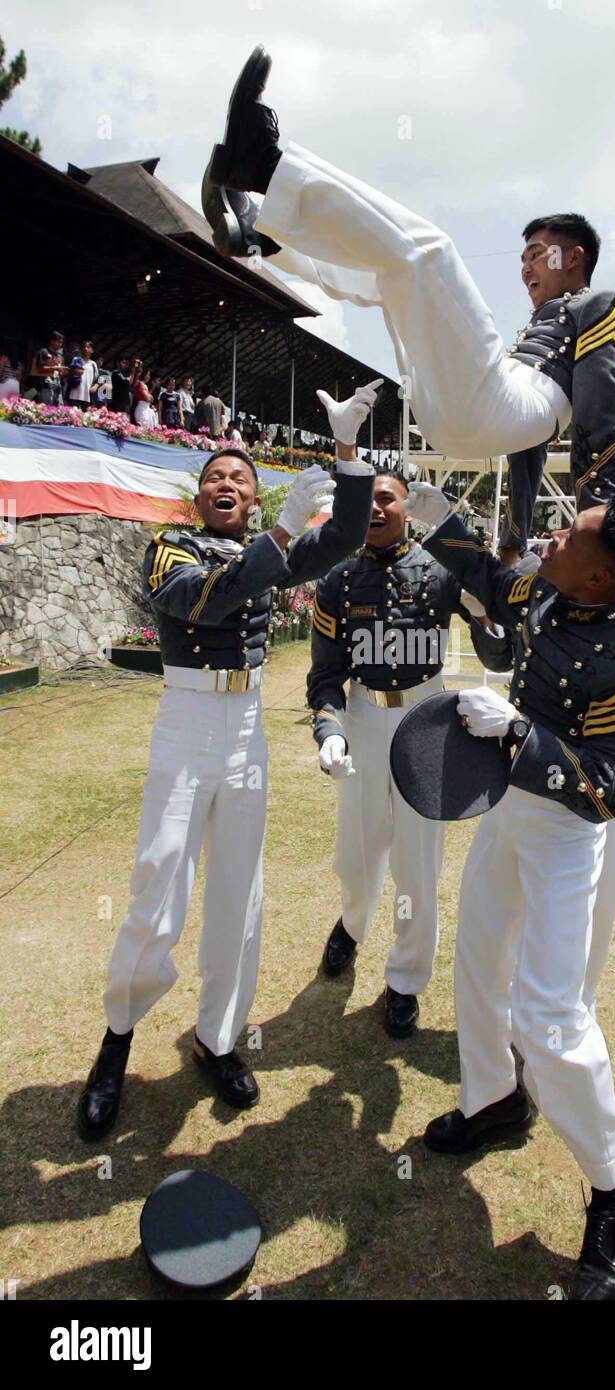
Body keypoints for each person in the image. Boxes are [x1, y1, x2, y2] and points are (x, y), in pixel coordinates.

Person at [76, 384, 380, 1143]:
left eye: (241, 478)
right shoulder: (170, 548)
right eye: (216, 474)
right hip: (185, 719)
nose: (226, 483)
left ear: (252, 499)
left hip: (245, 725)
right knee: (158, 881)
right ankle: (118, 1039)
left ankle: (218, 1038)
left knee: (240, 896)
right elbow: (202, 601)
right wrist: (276, 533)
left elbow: (342, 536)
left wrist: (347, 456)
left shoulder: (266, 552)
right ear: (199, 494)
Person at [201, 46, 615, 563]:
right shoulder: (537, 332)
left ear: (576, 257)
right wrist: (515, 537)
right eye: (522, 258)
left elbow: (604, 419)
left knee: (431, 253)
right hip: (472, 415)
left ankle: (264, 168)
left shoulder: (605, 304)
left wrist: (599, 523)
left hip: (496, 408)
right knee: (395, 276)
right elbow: (528, 446)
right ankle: (263, 240)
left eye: (538, 255)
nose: (525, 269)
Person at [401, 479, 615, 1300]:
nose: (548, 540)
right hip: (506, 808)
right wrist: (431, 515)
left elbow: (612, 784)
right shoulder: (551, 596)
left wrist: (523, 736)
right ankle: (493, 1102)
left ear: (600, 579)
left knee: (549, 1015)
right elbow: (489, 577)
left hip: (562, 833)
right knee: (477, 965)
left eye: (569, 537)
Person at [307, 383, 474, 1039]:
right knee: (356, 854)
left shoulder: (439, 573)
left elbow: (496, 630)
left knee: (418, 860)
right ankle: (351, 923)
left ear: (408, 506)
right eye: (367, 496)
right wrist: (329, 728)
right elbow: (324, 675)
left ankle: (405, 979)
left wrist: (472, 564)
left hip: (425, 721)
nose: (376, 505)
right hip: (364, 718)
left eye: (387, 497)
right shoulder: (337, 580)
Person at [30, 330, 67, 404]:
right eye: (58, 342)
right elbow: (39, 368)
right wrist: (55, 368)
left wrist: (64, 371)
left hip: (57, 386)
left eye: (61, 342)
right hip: (45, 386)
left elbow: (61, 372)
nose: (60, 344)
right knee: (46, 409)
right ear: (52, 341)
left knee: (58, 410)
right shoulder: (44, 352)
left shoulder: (59, 356)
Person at [65, 340, 99, 411]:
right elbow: (67, 372)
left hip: (87, 397)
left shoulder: (93, 364)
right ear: (81, 349)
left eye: (88, 347)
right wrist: (75, 371)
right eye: (84, 347)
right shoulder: (76, 359)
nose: (85, 349)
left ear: (92, 350)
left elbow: (96, 379)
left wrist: (95, 386)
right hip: (74, 395)